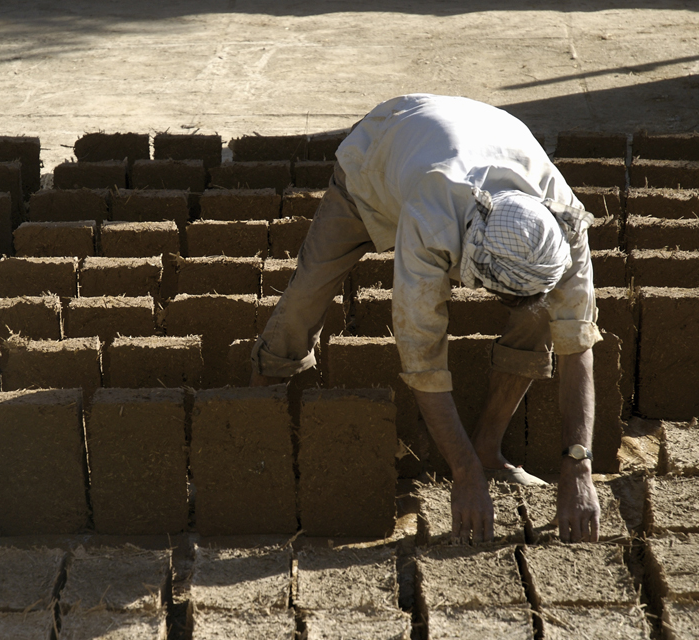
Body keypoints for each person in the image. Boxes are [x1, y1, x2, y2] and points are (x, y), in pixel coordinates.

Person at [250, 94, 601, 544]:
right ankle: (253, 427)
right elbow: (424, 361)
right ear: (472, 265)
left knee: (539, 318)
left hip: (481, 134)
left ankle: (487, 450)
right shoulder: (432, 222)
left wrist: (579, 466)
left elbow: (578, 346)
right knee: (307, 293)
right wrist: (462, 475)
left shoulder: (564, 226)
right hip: (382, 158)